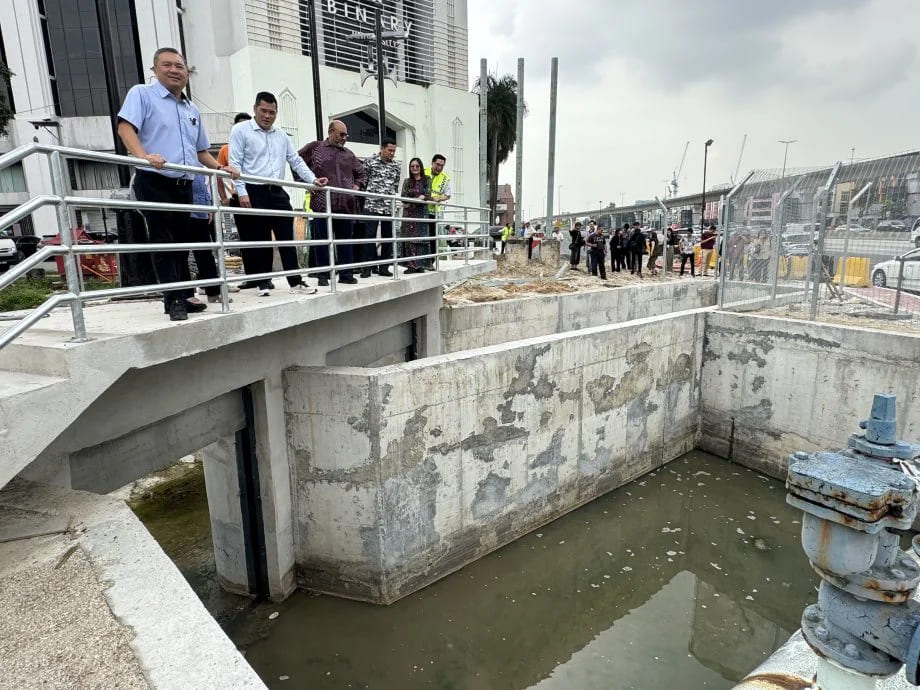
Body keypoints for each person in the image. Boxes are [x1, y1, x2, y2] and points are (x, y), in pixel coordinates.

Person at [116, 47, 239, 321]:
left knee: (182, 243)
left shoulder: (191, 108)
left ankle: (181, 294)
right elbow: (125, 127)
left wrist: (221, 168)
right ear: (155, 70)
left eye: (179, 66)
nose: (174, 70)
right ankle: (173, 300)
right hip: (154, 179)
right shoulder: (142, 94)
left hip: (183, 183)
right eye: (167, 65)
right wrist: (144, 156)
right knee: (163, 241)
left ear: (187, 73)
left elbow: (200, 152)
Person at [229, 92, 326, 297]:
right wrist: (242, 192)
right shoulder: (241, 131)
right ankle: (263, 282)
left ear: (276, 113)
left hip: (277, 190)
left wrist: (313, 180)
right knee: (260, 239)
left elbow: (296, 161)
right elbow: (235, 163)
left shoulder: (281, 135)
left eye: (272, 112)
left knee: (286, 237)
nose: (267, 116)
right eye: (263, 111)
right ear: (255, 109)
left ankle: (295, 281)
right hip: (253, 189)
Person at [299, 120, 366, 286]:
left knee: (344, 241)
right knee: (322, 241)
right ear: (330, 132)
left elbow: (362, 173)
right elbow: (296, 162)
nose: (345, 138)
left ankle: (346, 274)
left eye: (346, 135)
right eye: (341, 134)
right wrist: (307, 183)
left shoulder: (349, 155)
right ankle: (323, 275)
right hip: (323, 203)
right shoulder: (315, 148)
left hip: (345, 205)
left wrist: (356, 186)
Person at [362, 138, 401, 277]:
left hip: (388, 207)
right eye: (390, 150)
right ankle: (367, 267)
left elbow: (395, 186)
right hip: (372, 205)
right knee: (369, 236)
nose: (392, 153)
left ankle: (384, 267)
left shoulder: (396, 166)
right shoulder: (370, 162)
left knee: (388, 237)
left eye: (394, 151)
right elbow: (364, 182)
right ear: (382, 148)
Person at [188, 175, 221, 303]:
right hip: (181, 208)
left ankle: (213, 292)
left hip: (199, 209)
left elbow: (202, 186)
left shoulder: (196, 160)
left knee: (205, 253)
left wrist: (208, 206)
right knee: (180, 254)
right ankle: (186, 295)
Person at [400, 157, 432, 273]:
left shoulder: (427, 179)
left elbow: (427, 194)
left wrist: (422, 198)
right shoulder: (407, 182)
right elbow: (403, 197)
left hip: (421, 213)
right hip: (409, 214)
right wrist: (417, 199)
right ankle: (411, 265)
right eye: (412, 166)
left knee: (421, 239)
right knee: (409, 240)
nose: (414, 168)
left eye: (417, 166)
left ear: (421, 167)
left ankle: (420, 265)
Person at [217, 112, 252, 205]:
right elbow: (218, 176)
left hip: (258, 193)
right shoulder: (225, 149)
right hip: (238, 195)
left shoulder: (256, 148)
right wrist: (224, 198)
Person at [425, 154, 452, 269]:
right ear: (432, 163)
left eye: (442, 165)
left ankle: (431, 262)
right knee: (420, 237)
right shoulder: (423, 171)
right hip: (421, 211)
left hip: (434, 213)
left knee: (432, 238)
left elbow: (448, 195)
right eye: (437, 164)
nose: (439, 167)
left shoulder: (446, 178)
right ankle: (418, 262)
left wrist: (439, 198)